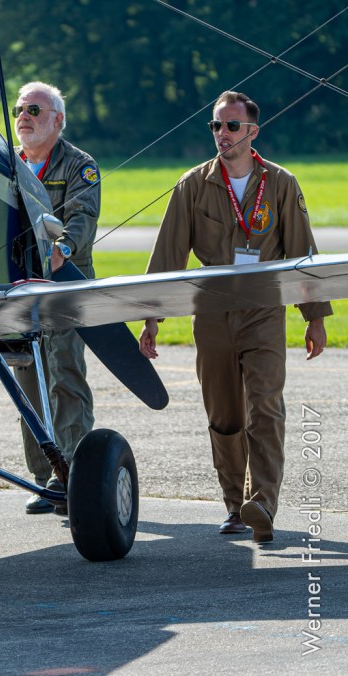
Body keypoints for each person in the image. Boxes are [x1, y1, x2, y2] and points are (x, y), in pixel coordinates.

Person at [138, 91, 330, 544]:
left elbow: (303, 251)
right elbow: (168, 254)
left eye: (231, 126)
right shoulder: (192, 184)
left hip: (264, 310)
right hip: (211, 312)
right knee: (224, 414)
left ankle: (261, 503)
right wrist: (152, 318)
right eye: (216, 126)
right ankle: (234, 506)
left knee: (265, 405)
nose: (222, 134)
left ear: (252, 131)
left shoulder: (281, 183)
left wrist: (315, 316)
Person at [11, 82, 100, 515]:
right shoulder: (6, 163)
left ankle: (74, 475)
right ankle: (44, 476)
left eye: (34, 109)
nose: (23, 116)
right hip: (18, 292)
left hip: (63, 287)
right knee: (28, 384)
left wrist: (61, 248)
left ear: (58, 120)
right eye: (19, 109)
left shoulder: (80, 165)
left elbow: (83, 217)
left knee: (64, 377)